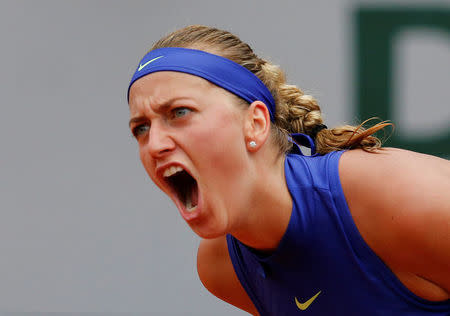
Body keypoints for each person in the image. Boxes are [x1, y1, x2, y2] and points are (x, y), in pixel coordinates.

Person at [127, 25, 450, 315]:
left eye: (180, 112)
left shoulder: (394, 193)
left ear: (255, 124)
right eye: (140, 128)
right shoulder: (222, 269)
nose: (155, 144)